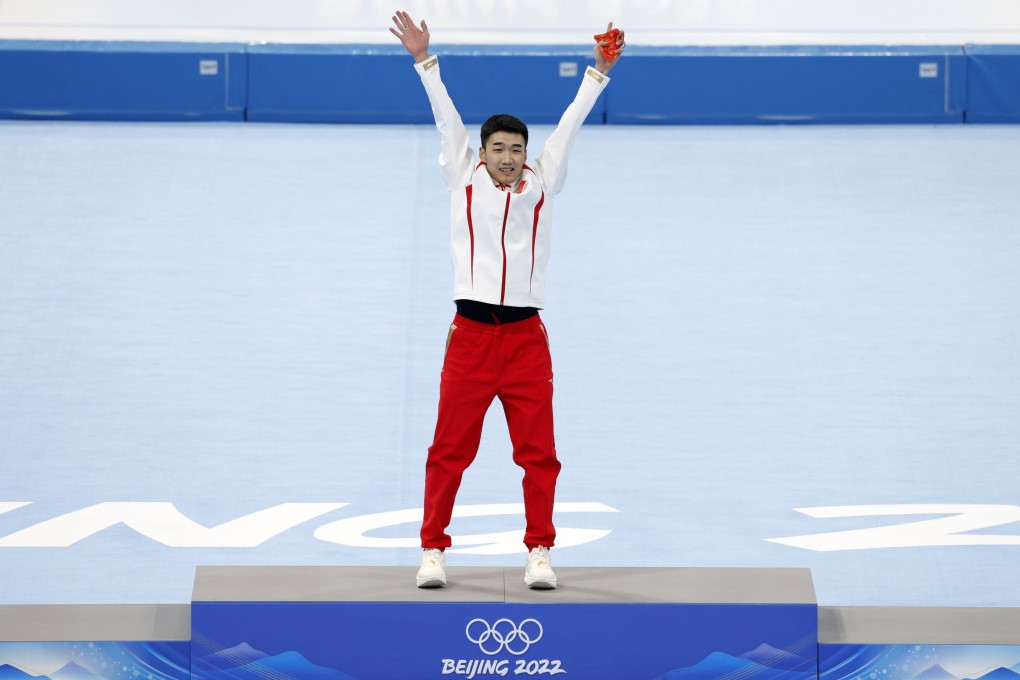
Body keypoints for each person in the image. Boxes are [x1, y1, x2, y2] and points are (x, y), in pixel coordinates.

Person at [389, 10, 625, 589]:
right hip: (470, 338)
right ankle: (432, 551)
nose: (508, 157)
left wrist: (598, 70)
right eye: (498, 148)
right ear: (482, 151)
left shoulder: (543, 182)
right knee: (448, 450)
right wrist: (423, 61)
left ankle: (539, 551)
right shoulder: (462, 176)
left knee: (539, 454)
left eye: (517, 148)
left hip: (524, 341)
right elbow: (445, 117)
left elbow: (570, 122)